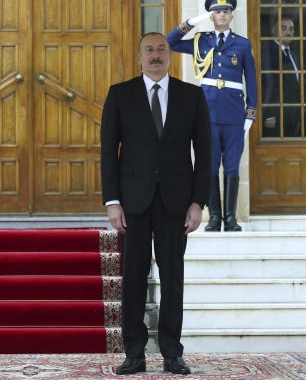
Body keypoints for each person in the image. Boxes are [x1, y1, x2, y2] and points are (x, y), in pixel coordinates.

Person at [101, 32, 212, 375]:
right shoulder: (120, 95)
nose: (155, 55)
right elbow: (108, 152)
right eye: (148, 50)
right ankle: (133, 353)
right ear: (138, 57)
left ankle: (171, 353)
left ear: (170, 55)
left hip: (175, 204)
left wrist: (197, 203)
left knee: (173, 279)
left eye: (161, 49)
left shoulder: (191, 96)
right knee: (133, 277)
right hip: (132, 204)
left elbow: (205, 153)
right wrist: (112, 201)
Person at [166, 0, 257, 232]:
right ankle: (214, 217)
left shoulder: (242, 44)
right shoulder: (201, 40)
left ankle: (231, 218)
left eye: (225, 11)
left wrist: (251, 113)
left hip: (234, 112)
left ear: (231, 15)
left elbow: (253, 80)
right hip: (207, 111)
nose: (221, 15)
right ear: (212, 15)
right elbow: (169, 43)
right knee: (209, 164)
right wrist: (191, 23)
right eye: (217, 12)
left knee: (231, 166)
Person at [260, 12, 301, 138]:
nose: (288, 32)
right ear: (274, 31)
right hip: (275, 117)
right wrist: (269, 114)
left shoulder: (292, 54)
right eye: (283, 28)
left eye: (291, 29)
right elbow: (266, 84)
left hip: (291, 117)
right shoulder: (268, 52)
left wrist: (297, 116)